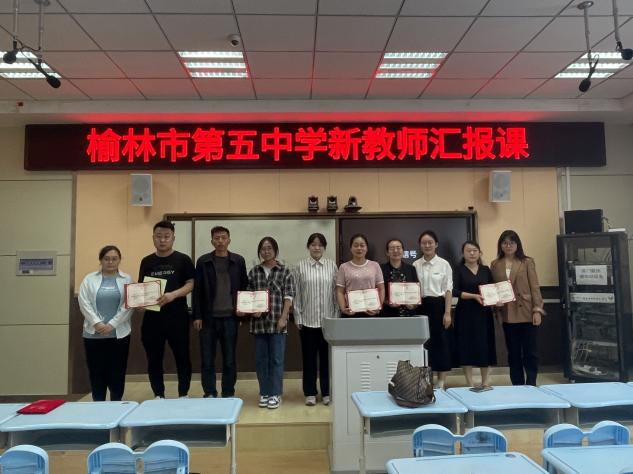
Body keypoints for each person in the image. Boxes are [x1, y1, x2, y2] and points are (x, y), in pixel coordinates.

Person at [138, 220, 195, 399]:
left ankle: (183, 393)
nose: (162, 240)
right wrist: (140, 304)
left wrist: (173, 295)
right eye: (158, 236)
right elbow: (142, 288)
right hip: (152, 318)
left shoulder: (183, 259)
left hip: (177, 317)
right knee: (154, 358)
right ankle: (158, 394)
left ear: (173, 238)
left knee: (182, 356)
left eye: (166, 236)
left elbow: (191, 283)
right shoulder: (147, 261)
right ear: (153, 238)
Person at [192, 226, 248, 398]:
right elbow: (197, 290)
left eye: (223, 238)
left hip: (230, 318)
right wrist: (197, 315)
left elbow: (244, 287)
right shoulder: (203, 261)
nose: (220, 241)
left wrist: (242, 310)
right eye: (217, 238)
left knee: (229, 359)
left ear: (229, 240)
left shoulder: (238, 261)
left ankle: (228, 392)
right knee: (207, 359)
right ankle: (209, 392)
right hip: (208, 318)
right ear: (212, 241)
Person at [239, 237, 295, 409]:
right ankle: (264, 392)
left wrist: (284, 317)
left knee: (277, 360)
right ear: (259, 252)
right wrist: (250, 310)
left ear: (275, 250)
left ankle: (276, 393)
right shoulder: (254, 271)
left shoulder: (284, 271)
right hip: (259, 324)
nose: (266, 251)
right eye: (263, 249)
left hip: (277, 323)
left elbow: (288, 296)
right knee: (261, 360)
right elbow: (249, 295)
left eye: (269, 248)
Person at [78, 245, 133, 401]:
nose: (110, 262)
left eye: (114, 259)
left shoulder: (127, 279)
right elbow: (84, 302)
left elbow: (129, 305)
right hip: (93, 335)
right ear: (101, 260)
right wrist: (97, 323)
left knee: (117, 372)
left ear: (119, 260)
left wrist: (112, 324)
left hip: (119, 335)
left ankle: (116, 403)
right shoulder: (89, 279)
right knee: (96, 372)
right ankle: (98, 404)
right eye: (106, 259)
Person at [491, 230, 544, 386]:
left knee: (530, 351)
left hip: (526, 311)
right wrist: (495, 303)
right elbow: (493, 288)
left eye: (512, 242)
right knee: (513, 352)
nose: (508, 246)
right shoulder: (495, 264)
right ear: (500, 245)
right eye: (505, 243)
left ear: (517, 245)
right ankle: (517, 384)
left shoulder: (527, 261)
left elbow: (535, 287)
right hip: (507, 312)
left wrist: (537, 310)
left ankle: (531, 382)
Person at [293, 233, 338, 406]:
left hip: (328, 321)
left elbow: (335, 293)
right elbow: (297, 293)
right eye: (313, 244)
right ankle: (310, 392)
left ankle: (326, 392)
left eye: (320, 244)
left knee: (327, 360)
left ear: (324, 247)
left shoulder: (331, 266)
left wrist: (336, 317)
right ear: (308, 247)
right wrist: (297, 316)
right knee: (309, 359)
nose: (317, 247)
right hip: (308, 321)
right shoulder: (300, 266)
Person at [453, 240, 497, 389]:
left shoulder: (485, 270)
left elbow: (492, 288)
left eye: (475, 250)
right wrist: (473, 296)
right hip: (465, 313)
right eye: (468, 251)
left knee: (485, 345)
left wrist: (496, 300)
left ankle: (485, 381)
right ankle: (470, 383)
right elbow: (455, 291)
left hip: (483, 313)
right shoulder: (458, 269)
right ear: (463, 253)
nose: (472, 253)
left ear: (479, 253)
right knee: (466, 346)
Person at [413, 230, 453, 390]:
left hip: (439, 306)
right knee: (425, 344)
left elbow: (448, 290)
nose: (427, 245)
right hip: (420, 307)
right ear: (420, 245)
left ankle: (441, 381)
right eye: (424, 243)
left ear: (436, 244)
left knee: (441, 343)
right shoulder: (415, 265)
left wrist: (447, 313)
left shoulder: (444, 264)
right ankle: (426, 380)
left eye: (430, 242)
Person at [336, 233, 385, 317]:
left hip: (371, 311)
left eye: (362, 245)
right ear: (351, 248)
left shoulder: (375, 265)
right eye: (356, 245)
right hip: (351, 312)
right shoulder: (343, 267)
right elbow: (340, 291)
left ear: (367, 248)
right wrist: (343, 308)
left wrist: (378, 307)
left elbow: (381, 288)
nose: (359, 248)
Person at [380, 238, 419, 317]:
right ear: (387, 252)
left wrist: (413, 304)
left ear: (403, 251)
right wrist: (388, 302)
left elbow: (416, 292)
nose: (395, 251)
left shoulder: (411, 269)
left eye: (398, 248)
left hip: (409, 314)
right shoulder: (381, 269)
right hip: (388, 314)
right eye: (392, 248)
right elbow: (379, 292)